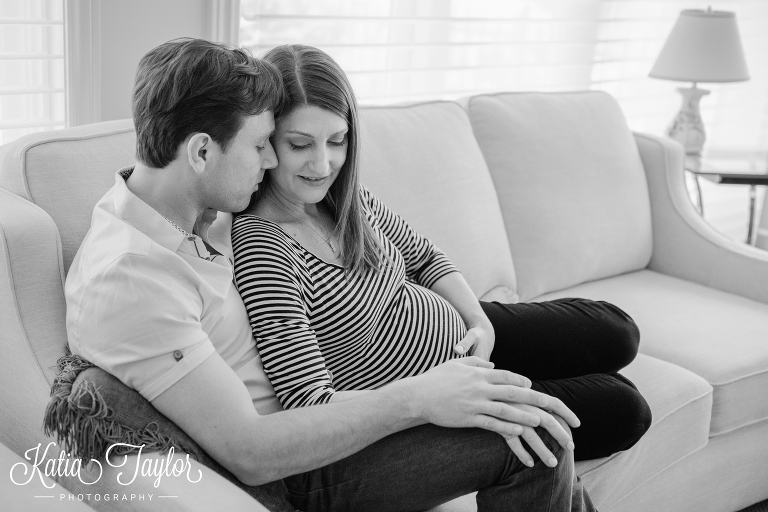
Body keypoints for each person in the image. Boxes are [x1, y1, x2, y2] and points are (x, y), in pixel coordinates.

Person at [65, 37, 596, 512]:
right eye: (260, 145)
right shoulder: (132, 281)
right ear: (202, 151)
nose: (271, 161)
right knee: (534, 440)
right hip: (309, 462)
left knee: (558, 422)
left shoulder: (190, 205)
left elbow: (403, 246)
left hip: (371, 396)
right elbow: (252, 453)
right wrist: (421, 397)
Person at [232, 43, 652, 466]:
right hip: (445, 399)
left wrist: (479, 322)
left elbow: (427, 258)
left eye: (337, 140)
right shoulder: (263, 247)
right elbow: (308, 402)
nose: (323, 164)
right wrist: (425, 398)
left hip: (472, 335)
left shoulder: (344, 200)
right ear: (268, 141)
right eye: (300, 144)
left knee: (619, 331)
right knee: (625, 408)